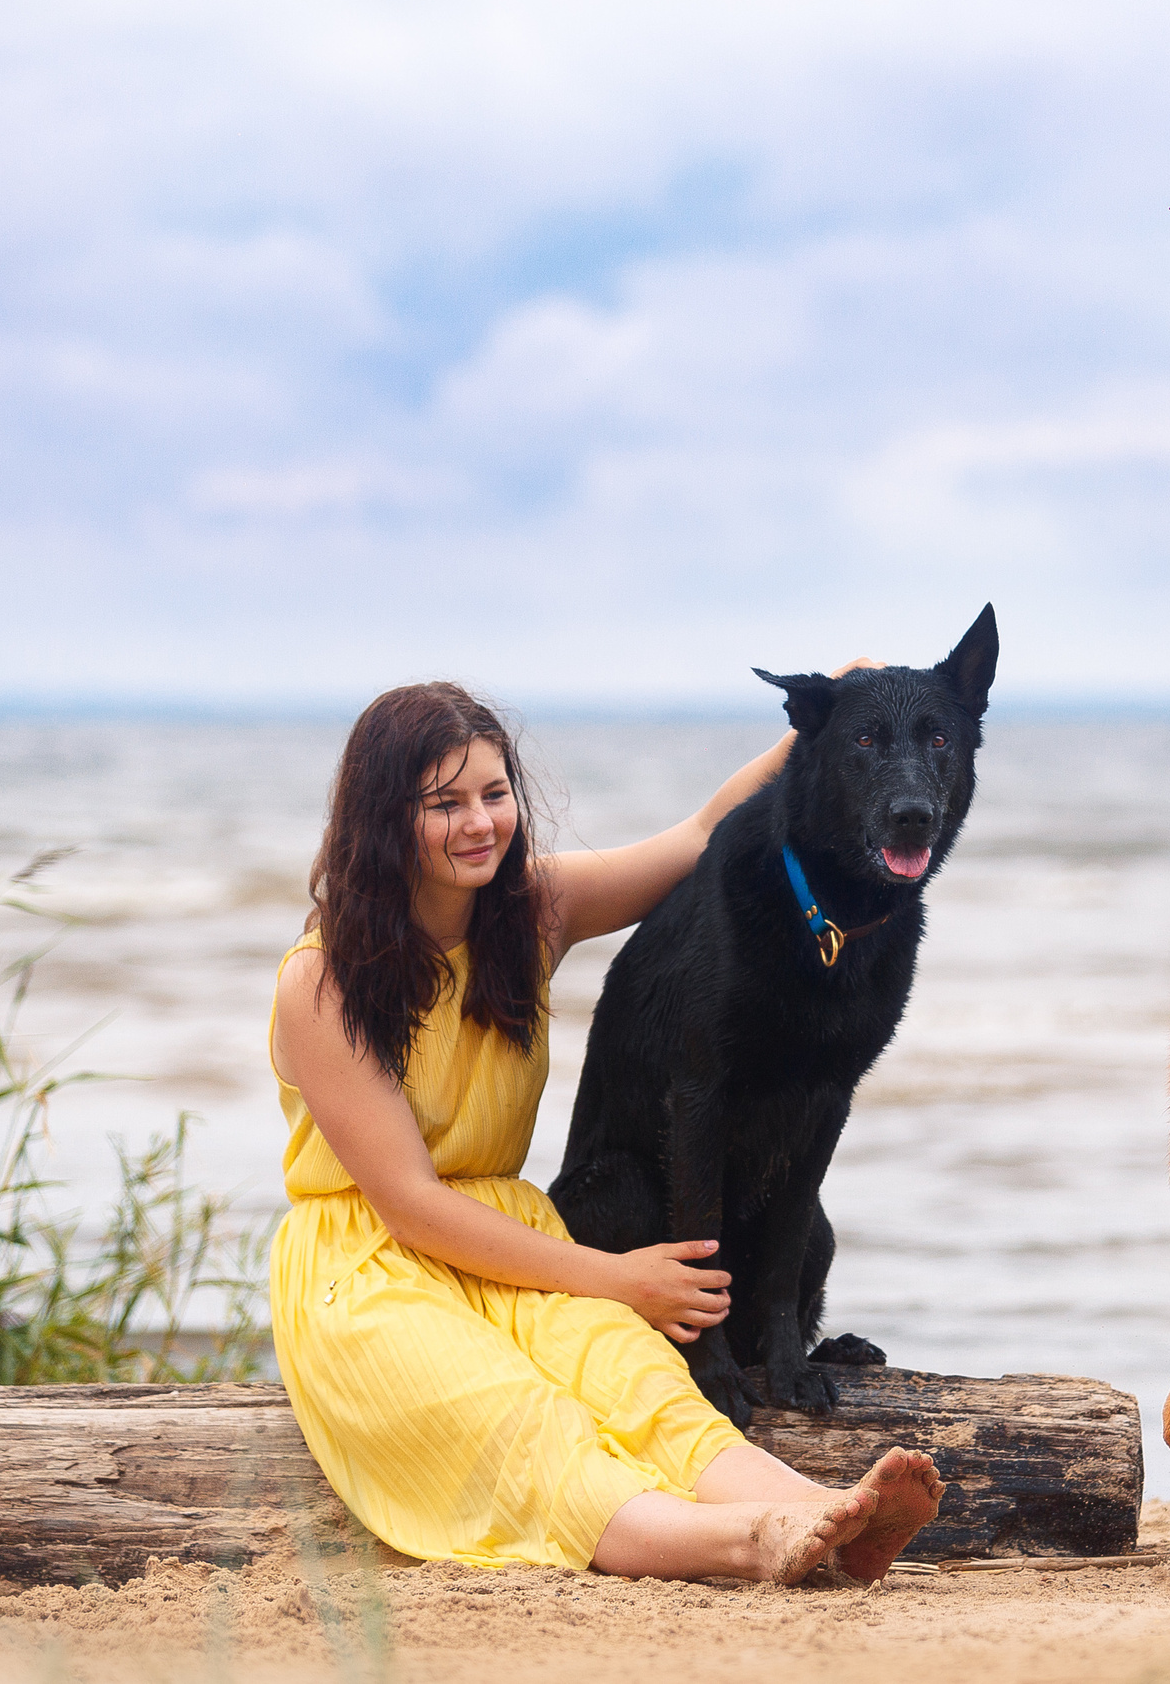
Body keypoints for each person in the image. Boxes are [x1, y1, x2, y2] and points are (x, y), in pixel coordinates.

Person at [267, 675, 944, 1582]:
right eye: (444, 803)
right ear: (381, 819)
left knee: (639, 1380)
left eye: (495, 794)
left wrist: (843, 710)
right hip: (373, 1265)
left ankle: (822, 1509)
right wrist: (618, 1276)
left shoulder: (530, 912)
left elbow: (699, 837)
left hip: (511, 1239)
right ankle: (747, 1540)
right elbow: (412, 1207)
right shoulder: (322, 982)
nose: (480, 823)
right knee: (523, 1420)